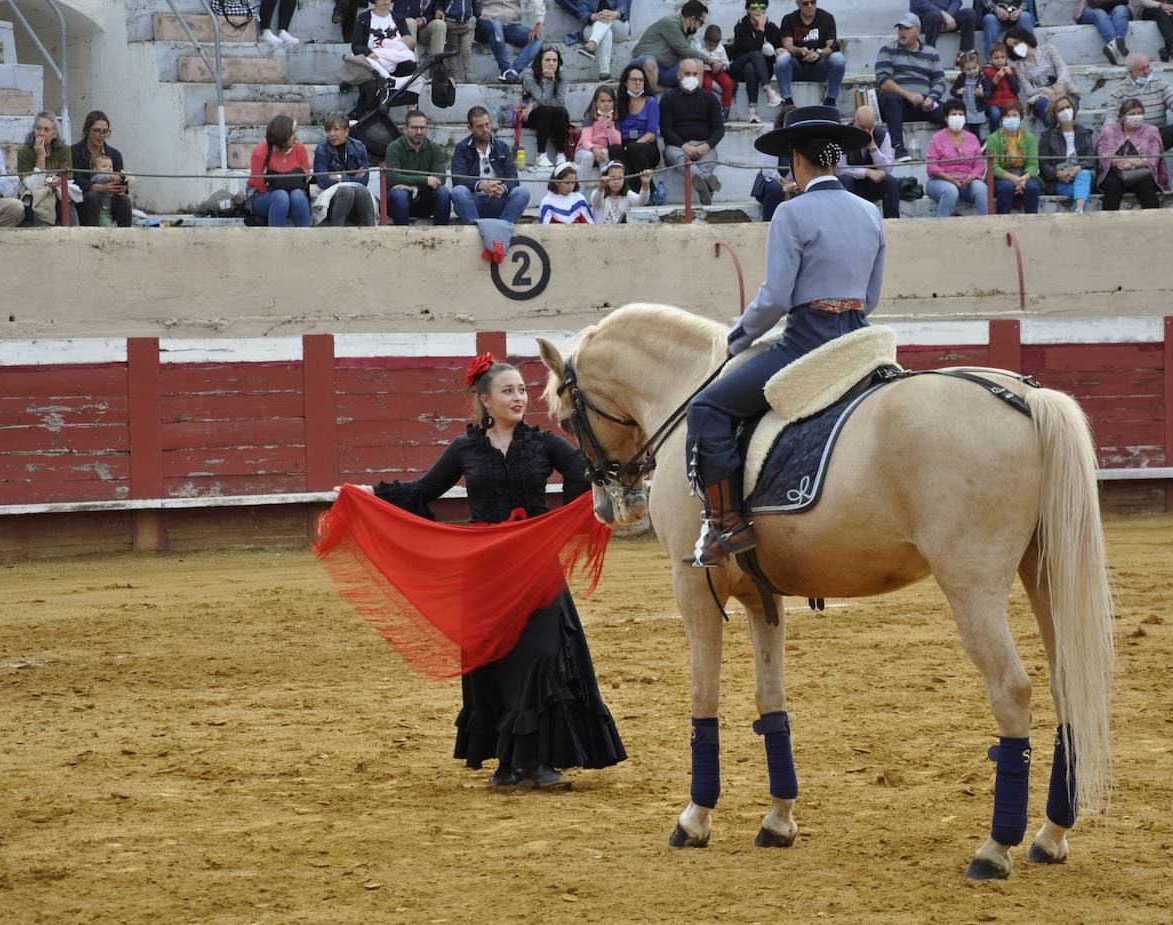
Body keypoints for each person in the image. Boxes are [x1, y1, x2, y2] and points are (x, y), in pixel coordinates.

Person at [365, 357, 627, 788]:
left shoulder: (543, 444)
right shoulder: (465, 448)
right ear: (486, 400)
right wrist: (368, 494)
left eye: (522, 389)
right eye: (508, 391)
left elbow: (586, 476)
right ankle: (508, 763)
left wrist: (560, 522)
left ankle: (538, 759)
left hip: (535, 565)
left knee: (543, 654)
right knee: (496, 662)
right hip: (485, 568)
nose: (519, 397)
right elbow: (422, 492)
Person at [684, 105, 884, 567]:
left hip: (807, 344)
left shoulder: (791, 213)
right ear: (834, 157)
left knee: (707, 407)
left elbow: (774, 298)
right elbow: (870, 297)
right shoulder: (869, 213)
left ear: (796, 157)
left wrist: (738, 337)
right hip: (858, 342)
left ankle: (727, 523)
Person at [875, 12, 947, 161]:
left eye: (907, 28)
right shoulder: (888, 49)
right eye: (900, 28)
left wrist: (932, 98)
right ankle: (898, 148)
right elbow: (883, 81)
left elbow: (939, 81)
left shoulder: (931, 53)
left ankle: (968, 146)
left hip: (923, 103)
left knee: (952, 110)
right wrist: (909, 95)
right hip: (897, 105)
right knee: (891, 98)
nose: (902, 32)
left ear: (918, 31)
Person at [450, 105, 532, 223]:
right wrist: (481, 185)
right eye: (480, 127)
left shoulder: (502, 147)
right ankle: (475, 229)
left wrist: (502, 188)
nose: (485, 130)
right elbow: (458, 179)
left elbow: (514, 179)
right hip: (474, 201)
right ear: (470, 128)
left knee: (523, 192)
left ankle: (503, 228)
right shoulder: (462, 148)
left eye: (487, 125)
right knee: (458, 192)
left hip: (499, 199)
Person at [660, 58, 726, 205]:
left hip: (704, 145)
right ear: (678, 75)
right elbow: (666, 130)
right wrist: (684, 146)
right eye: (687, 73)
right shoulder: (668, 99)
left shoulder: (710, 98)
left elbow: (719, 129)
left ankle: (702, 183)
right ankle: (707, 182)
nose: (691, 77)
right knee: (678, 158)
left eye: (695, 74)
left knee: (710, 158)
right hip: (677, 147)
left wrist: (707, 146)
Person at [1103, 52, 1173, 149]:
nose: (1146, 71)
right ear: (1131, 72)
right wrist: (1108, 131)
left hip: (1159, 134)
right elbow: (1111, 115)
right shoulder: (1119, 90)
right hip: (1132, 136)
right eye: (1142, 69)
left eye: (1148, 67)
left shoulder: (1160, 84)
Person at [349, 0, 420, 117]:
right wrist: (368, 52)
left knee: (410, 65)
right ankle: (369, 112)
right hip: (374, 60)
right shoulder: (364, 18)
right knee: (369, 73)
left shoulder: (398, 18)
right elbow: (356, 46)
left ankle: (412, 112)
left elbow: (407, 42)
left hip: (395, 60)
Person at [1097, 97, 1169, 208]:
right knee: (1112, 186)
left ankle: (1153, 222)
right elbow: (1104, 157)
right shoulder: (1109, 131)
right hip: (1115, 171)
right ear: (1122, 116)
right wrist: (1126, 161)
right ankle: (1109, 223)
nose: (1136, 116)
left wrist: (1134, 165)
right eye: (1132, 114)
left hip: (1141, 172)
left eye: (1139, 113)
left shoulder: (1151, 131)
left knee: (1147, 187)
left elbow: (1153, 159)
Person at [775, 0, 847, 108]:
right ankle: (788, 101)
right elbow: (787, 45)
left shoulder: (826, 18)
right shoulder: (789, 19)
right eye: (805, 3)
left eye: (813, 2)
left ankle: (831, 100)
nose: (810, 6)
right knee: (782, 58)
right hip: (796, 68)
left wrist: (819, 52)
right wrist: (800, 50)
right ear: (798, 3)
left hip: (819, 67)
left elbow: (833, 45)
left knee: (838, 58)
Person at [386, 109, 453, 225]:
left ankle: (442, 235)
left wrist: (415, 188)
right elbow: (392, 177)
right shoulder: (394, 147)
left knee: (443, 192)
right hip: (399, 201)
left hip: (425, 199)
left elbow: (440, 179)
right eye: (414, 128)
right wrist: (425, 180)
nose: (419, 132)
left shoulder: (434, 148)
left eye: (422, 128)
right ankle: (401, 236)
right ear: (405, 128)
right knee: (399, 194)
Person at [926, 99, 991, 215]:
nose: (957, 117)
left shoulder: (972, 138)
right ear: (946, 118)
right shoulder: (937, 138)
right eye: (953, 114)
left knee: (981, 188)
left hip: (967, 183)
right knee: (951, 191)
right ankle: (941, 227)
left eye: (960, 114)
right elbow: (931, 167)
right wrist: (950, 179)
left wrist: (972, 176)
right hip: (940, 182)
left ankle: (985, 226)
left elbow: (979, 165)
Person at [70, 111, 133, 229]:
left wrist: (122, 187)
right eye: (97, 130)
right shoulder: (74, 151)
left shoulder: (114, 154)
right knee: (92, 196)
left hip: (109, 200)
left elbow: (121, 178)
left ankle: (126, 237)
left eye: (105, 131)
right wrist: (99, 187)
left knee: (124, 199)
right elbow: (75, 180)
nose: (101, 135)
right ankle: (90, 235)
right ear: (88, 130)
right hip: (83, 200)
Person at [1004, 27, 1079, 125]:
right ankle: (1057, 133)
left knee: (1070, 102)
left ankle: (1068, 131)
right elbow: (1029, 90)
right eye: (1011, 47)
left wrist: (1059, 85)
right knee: (1043, 105)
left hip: (1062, 88)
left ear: (1024, 38)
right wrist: (1045, 90)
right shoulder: (1020, 66)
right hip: (1042, 96)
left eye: (1016, 43)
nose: (1015, 48)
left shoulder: (1048, 49)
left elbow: (1062, 69)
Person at [248, 114, 312, 227]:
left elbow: (305, 177)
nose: (295, 137)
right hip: (263, 197)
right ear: (282, 135)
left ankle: (305, 238)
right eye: (292, 133)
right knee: (281, 196)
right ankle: (276, 240)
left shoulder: (300, 148)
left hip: (293, 197)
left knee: (298, 195)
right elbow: (259, 185)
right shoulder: (261, 152)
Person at [313, 113, 376, 227]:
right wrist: (352, 178)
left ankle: (371, 234)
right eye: (328, 130)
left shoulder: (359, 147)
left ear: (346, 131)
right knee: (347, 191)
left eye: (336, 129)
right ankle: (337, 233)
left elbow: (364, 181)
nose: (331, 134)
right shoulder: (322, 148)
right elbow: (323, 181)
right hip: (331, 198)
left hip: (357, 196)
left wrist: (339, 177)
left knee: (362, 191)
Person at [836, 104, 900, 218]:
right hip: (851, 185)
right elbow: (840, 170)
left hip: (871, 185)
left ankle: (893, 222)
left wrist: (873, 148)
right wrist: (867, 172)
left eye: (870, 128)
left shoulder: (882, 135)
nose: (866, 131)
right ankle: (848, 221)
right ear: (854, 121)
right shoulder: (843, 135)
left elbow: (887, 169)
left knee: (891, 182)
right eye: (862, 127)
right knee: (845, 180)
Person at [630, 0, 707, 90]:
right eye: (701, 22)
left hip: (665, 71)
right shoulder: (671, 23)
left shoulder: (688, 32)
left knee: (697, 64)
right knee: (650, 63)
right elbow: (685, 50)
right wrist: (709, 60)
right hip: (642, 66)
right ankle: (650, 101)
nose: (700, 26)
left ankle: (695, 101)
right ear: (693, 19)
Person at [730, 0, 785, 123]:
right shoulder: (740, 27)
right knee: (754, 54)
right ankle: (769, 92)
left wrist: (778, 50)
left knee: (750, 68)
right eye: (754, 6)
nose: (759, 10)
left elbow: (778, 49)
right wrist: (761, 27)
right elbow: (752, 47)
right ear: (748, 10)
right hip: (738, 67)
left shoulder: (772, 28)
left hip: (762, 71)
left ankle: (752, 111)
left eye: (762, 6)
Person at [1038, 95, 1095, 212]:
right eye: (1060, 109)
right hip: (1060, 181)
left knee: (1084, 174)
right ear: (1054, 114)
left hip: (1080, 177)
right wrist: (1059, 173)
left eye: (1068, 107)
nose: (1065, 111)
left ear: (1073, 108)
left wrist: (1077, 168)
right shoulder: (1047, 137)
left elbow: (1091, 159)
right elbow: (1043, 165)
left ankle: (1078, 210)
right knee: (1082, 191)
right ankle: (1079, 211)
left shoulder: (1084, 133)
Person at [16, 111, 73, 227]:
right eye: (38, 128)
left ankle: (74, 236)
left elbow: (69, 178)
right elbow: (34, 186)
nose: (41, 133)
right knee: (42, 200)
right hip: (32, 194)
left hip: (57, 191)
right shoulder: (24, 151)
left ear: (54, 134)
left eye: (46, 130)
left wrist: (60, 179)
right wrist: (41, 156)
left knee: (68, 202)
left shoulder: (65, 150)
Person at [611, 65, 663, 193]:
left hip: (647, 146)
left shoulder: (650, 102)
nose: (638, 82)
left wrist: (633, 145)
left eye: (641, 80)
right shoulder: (620, 103)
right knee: (614, 149)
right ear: (626, 82)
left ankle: (650, 191)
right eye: (634, 79)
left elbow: (651, 133)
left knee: (634, 148)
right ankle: (629, 191)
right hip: (625, 144)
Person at [984, 100, 1041, 212]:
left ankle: (1032, 221)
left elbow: (1033, 164)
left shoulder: (1029, 137)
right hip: (1001, 178)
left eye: (1014, 115)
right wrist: (1013, 179)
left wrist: (1023, 179)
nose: (1011, 118)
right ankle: (1002, 223)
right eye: (1007, 115)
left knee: (1033, 187)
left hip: (1024, 176)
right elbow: (994, 167)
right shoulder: (993, 138)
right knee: (1006, 187)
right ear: (1002, 119)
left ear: (1020, 117)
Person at [522, 46, 571, 168]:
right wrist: (549, 81)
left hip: (552, 114)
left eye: (555, 60)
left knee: (561, 112)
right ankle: (541, 155)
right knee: (545, 110)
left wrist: (533, 105)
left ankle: (560, 154)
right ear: (540, 61)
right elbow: (544, 100)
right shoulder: (529, 75)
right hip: (533, 116)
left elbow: (560, 101)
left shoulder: (562, 73)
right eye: (547, 60)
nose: (551, 64)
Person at [560, 0, 629, 82]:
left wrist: (615, 14)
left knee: (605, 19)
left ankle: (591, 45)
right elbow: (582, 13)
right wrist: (594, 16)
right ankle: (604, 74)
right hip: (593, 29)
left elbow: (623, 6)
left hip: (618, 27)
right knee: (606, 32)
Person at [477, 0, 545, 83]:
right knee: (495, 25)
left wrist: (539, 21)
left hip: (512, 26)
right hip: (487, 23)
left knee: (538, 37)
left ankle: (512, 72)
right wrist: (479, 15)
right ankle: (505, 68)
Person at [752, 104, 796, 220]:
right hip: (771, 182)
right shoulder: (772, 140)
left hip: (794, 183)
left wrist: (795, 184)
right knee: (775, 188)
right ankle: (767, 223)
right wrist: (785, 183)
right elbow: (768, 171)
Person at [575, 85, 622, 180]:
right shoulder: (590, 116)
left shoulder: (614, 118)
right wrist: (593, 149)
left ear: (614, 103)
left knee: (605, 153)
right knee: (589, 156)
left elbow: (616, 143)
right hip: (584, 151)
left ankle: (603, 189)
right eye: (602, 101)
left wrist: (610, 126)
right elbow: (585, 140)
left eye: (609, 101)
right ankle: (579, 190)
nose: (606, 104)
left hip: (600, 153)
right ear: (596, 102)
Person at [912, 0, 978, 60]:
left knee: (969, 14)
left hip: (948, 18)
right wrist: (943, 14)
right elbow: (919, 3)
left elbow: (957, 1)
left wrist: (949, 14)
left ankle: (965, 56)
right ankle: (929, 54)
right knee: (935, 16)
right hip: (927, 18)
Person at [696, 24, 735, 121]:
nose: (712, 48)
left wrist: (721, 66)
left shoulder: (721, 49)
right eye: (710, 45)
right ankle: (707, 109)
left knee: (728, 83)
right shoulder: (698, 47)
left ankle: (725, 108)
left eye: (715, 46)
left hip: (718, 72)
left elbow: (727, 63)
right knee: (707, 84)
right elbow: (695, 60)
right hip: (704, 71)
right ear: (705, 39)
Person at [1073, 0, 1130, 65]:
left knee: (1121, 11)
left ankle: (1115, 49)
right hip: (1091, 7)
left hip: (1118, 5)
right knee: (1100, 14)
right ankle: (1118, 48)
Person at [949, 50, 991, 137]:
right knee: (965, 132)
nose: (972, 71)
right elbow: (952, 91)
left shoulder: (983, 78)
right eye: (968, 69)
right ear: (963, 69)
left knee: (975, 133)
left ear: (979, 66)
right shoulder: (961, 78)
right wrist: (958, 91)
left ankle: (976, 149)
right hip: (964, 110)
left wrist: (982, 94)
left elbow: (988, 93)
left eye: (974, 68)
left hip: (976, 110)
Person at [983, 42, 1022, 132]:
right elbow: (987, 93)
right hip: (993, 104)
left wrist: (1010, 76)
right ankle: (994, 138)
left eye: (1002, 57)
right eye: (996, 58)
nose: (1000, 60)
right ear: (991, 59)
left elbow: (1016, 90)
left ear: (1006, 57)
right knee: (995, 114)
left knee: (1013, 115)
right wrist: (996, 79)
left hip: (1011, 103)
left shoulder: (1012, 70)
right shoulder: (986, 72)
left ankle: (1014, 139)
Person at [440, 0, 482, 84]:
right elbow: (440, 3)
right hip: (451, 22)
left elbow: (474, 5)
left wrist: (479, 16)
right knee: (453, 51)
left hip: (465, 23)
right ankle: (455, 76)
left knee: (467, 50)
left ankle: (469, 76)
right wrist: (440, 10)